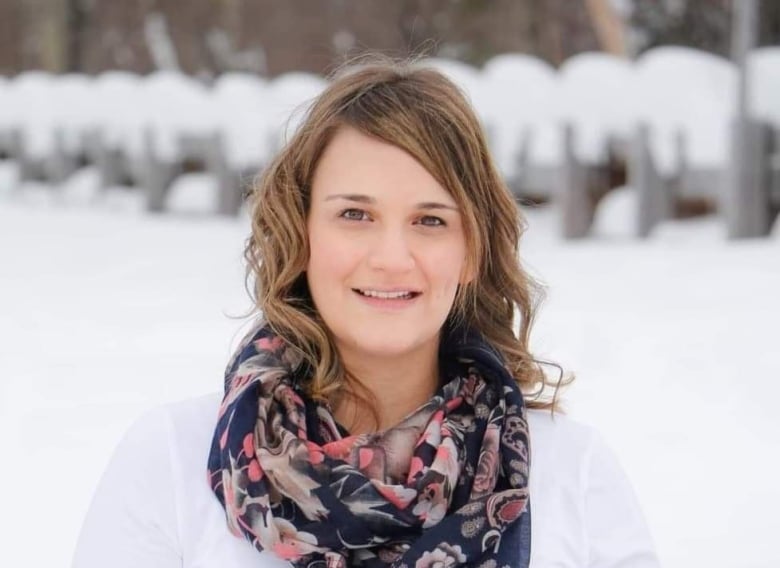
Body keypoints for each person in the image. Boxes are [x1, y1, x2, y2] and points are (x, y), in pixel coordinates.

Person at [72, 59, 660, 568]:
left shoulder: (570, 472)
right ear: (300, 235)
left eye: (430, 220)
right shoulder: (171, 460)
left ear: (472, 252)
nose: (391, 258)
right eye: (355, 214)